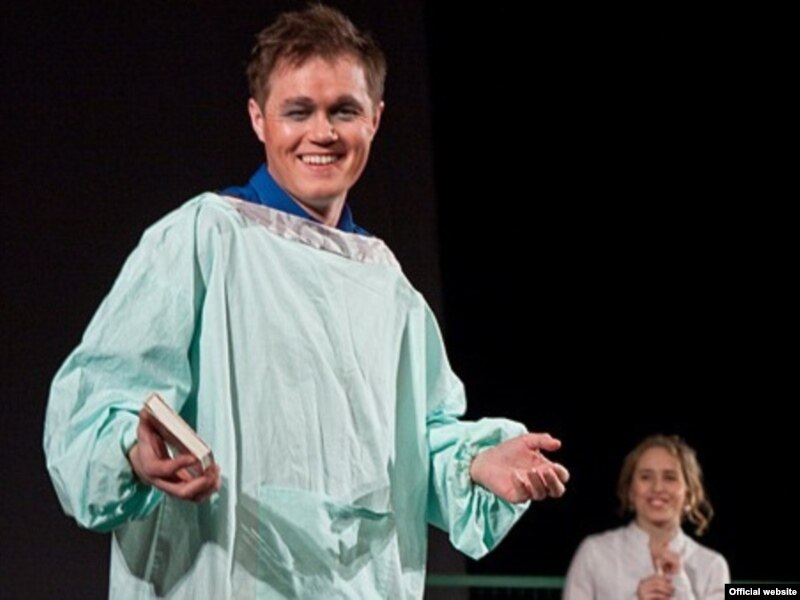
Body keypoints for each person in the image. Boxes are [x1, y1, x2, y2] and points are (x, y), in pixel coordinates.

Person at [43, 6, 570, 599]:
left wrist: (475, 463)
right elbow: (96, 408)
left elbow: (419, 443)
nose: (322, 133)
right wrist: (132, 454)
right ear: (258, 118)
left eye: (344, 110)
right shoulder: (205, 238)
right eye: (298, 111)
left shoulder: (389, 287)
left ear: (375, 119)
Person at [563, 434, 729, 600]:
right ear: (630, 491)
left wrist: (681, 590)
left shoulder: (713, 565)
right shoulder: (594, 553)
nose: (657, 488)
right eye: (646, 477)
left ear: (689, 493)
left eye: (670, 477)